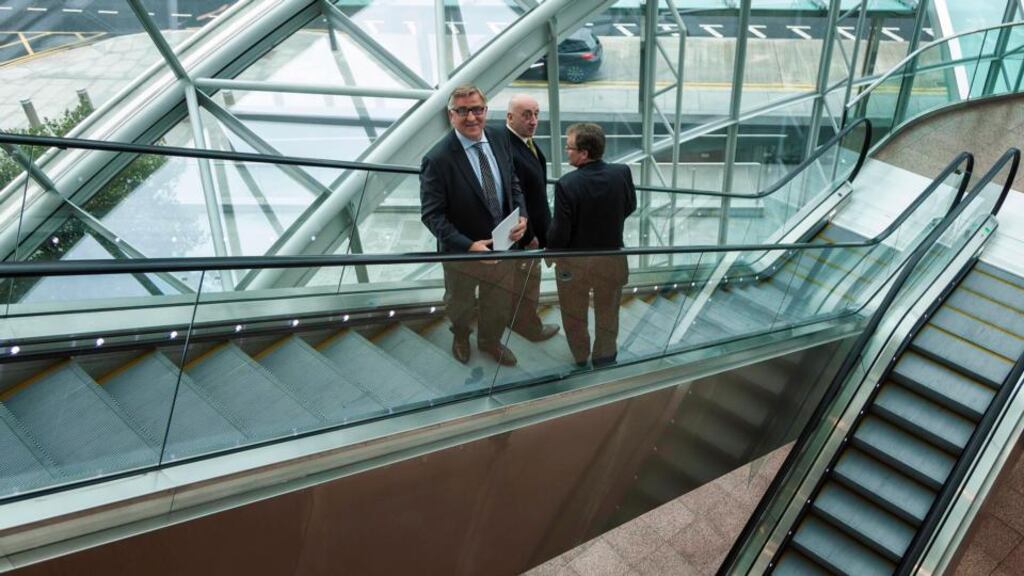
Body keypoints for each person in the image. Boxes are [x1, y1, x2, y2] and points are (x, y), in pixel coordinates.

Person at [420, 84, 528, 367]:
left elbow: (513, 182)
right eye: (463, 111)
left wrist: (522, 217)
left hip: (502, 244)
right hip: (462, 251)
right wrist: (469, 245)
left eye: (477, 110)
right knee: (460, 303)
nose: (471, 118)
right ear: (450, 115)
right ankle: (461, 337)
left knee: (499, 302)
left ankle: (490, 341)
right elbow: (432, 216)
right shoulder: (437, 158)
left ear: (485, 111)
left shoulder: (499, 137)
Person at [547, 123, 636, 368]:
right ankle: (605, 356)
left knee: (574, 313)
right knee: (609, 311)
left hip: (576, 264)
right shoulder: (622, 173)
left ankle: (580, 355)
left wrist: (550, 252)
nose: (567, 152)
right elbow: (630, 206)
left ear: (584, 153)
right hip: (612, 258)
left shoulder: (566, 184)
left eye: (569, 147)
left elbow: (561, 230)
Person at [505, 94, 559, 342]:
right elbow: (514, 197)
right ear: (510, 117)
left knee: (523, 282)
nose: (534, 120)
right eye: (526, 114)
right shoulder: (507, 148)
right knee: (528, 282)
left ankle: (515, 318)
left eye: (536, 113)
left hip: (535, 228)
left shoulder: (526, 142)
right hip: (526, 234)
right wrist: (529, 237)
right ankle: (528, 327)